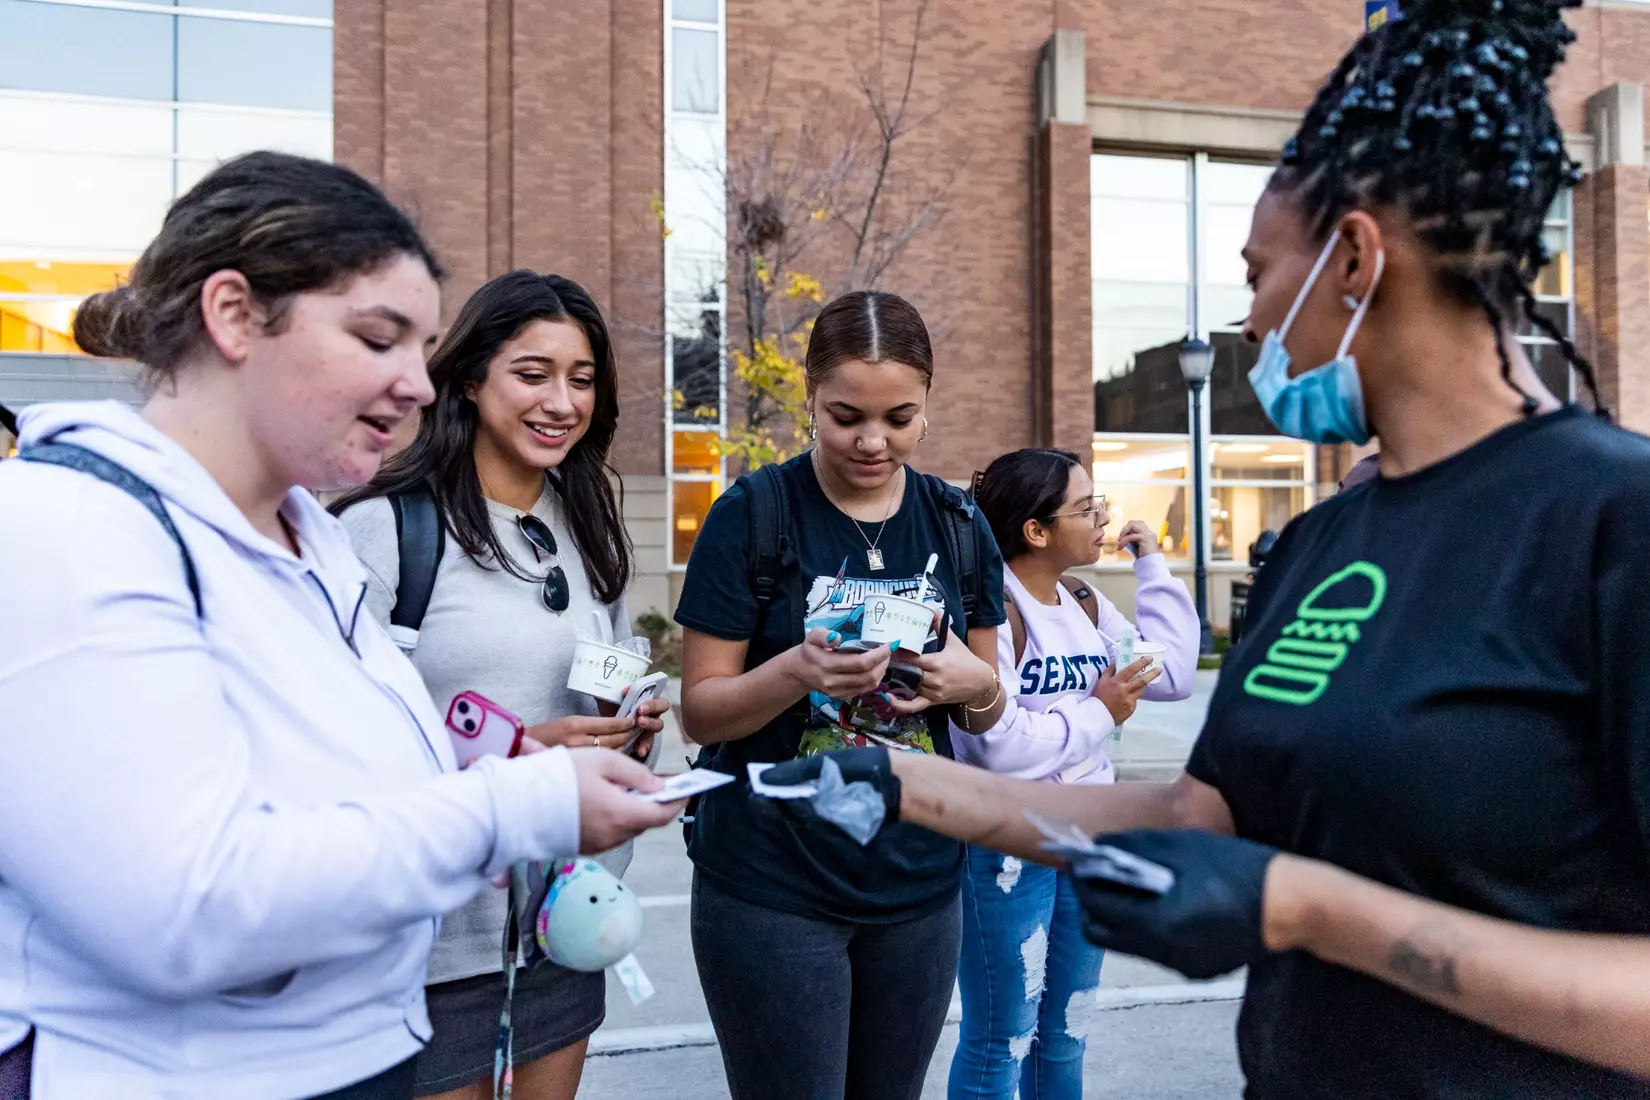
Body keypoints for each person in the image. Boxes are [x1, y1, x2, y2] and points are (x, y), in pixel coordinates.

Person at [761, 2, 1650, 1095]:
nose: (1246, 322)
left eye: (1256, 275)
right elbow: (1199, 812)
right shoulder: (1322, 543)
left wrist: (1309, 907)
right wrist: (896, 779)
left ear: (1357, 259)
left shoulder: (1615, 521)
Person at [0, 152, 680, 1100]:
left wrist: (545, 769)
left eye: (424, 346)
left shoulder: (307, 541)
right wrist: (525, 796)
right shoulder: (65, 526)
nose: (417, 382)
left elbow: (370, 795)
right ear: (233, 315)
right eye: (378, 339)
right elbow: (188, 908)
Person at [332, 270, 669, 1100]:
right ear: (472, 377)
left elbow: (607, 668)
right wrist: (521, 759)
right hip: (433, 939)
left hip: (562, 921)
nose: (561, 401)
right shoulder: (386, 529)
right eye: (533, 373)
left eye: (582, 379)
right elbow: (332, 750)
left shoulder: (587, 523)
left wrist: (630, 728)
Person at [673, 289, 1008, 1100]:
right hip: (769, 884)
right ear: (809, 399)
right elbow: (701, 710)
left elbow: (990, 710)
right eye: (845, 414)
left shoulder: (959, 523)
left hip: (920, 885)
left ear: (928, 404)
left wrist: (980, 686)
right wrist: (796, 671)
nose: (872, 440)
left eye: (900, 417)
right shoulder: (752, 514)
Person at [948, 448, 1197, 1100]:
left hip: (1088, 840)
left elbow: (1170, 674)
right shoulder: (988, 610)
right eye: (1087, 509)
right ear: (1036, 530)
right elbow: (995, 749)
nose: (1104, 517)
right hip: (1006, 846)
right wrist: (1096, 712)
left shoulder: (1082, 600)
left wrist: (1152, 567)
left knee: (1064, 1030)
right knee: (1002, 1036)